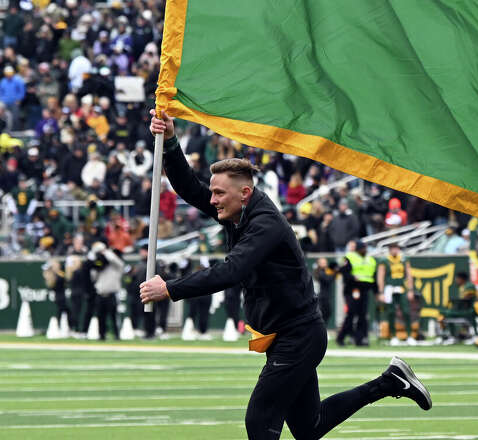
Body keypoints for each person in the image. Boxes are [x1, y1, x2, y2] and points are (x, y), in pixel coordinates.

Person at [140, 111, 432, 439]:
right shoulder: (238, 212)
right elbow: (191, 190)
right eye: (214, 193)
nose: (212, 200)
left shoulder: (265, 224)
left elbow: (232, 271)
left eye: (219, 193)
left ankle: (390, 381)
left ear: (244, 194)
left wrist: (170, 289)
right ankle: (391, 381)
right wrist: (170, 142)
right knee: (310, 427)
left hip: (298, 336)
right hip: (289, 334)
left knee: (259, 419)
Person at [377, 242, 415, 344]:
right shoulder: (384, 260)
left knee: (406, 311)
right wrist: (381, 292)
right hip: (389, 288)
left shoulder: (404, 259)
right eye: (392, 248)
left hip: (401, 288)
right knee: (391, 312)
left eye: (396, 248)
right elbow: (380, 276)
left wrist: (411, 289)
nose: (394, 250)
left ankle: (409, 335)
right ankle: (393, 336)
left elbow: (409, 275)